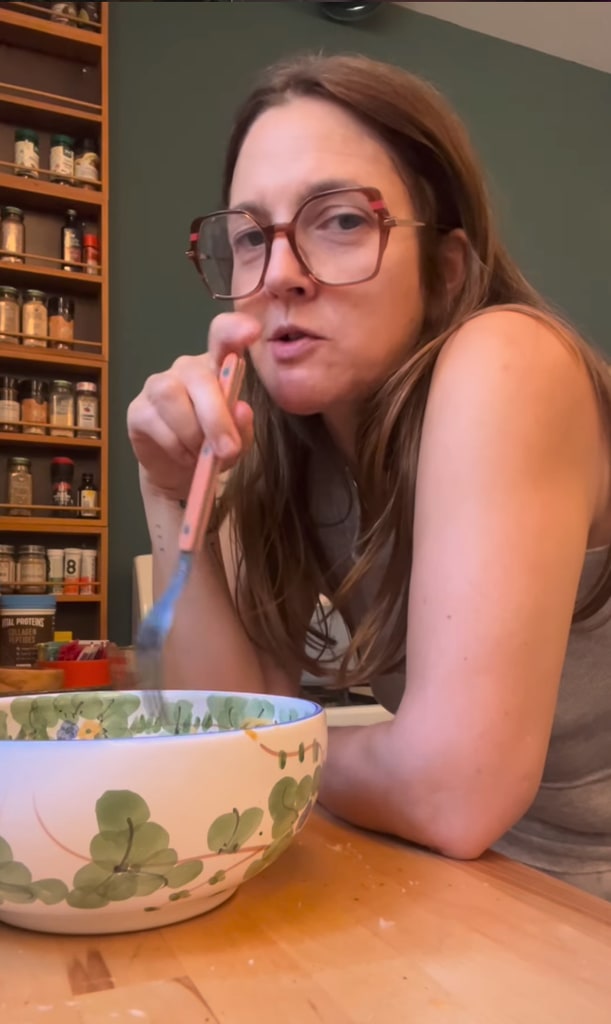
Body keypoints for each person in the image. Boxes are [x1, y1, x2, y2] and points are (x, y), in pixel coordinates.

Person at [127, 53, 611, 900]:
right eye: (249, 236)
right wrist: (172, 490)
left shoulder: (509, 361)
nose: (280, 274)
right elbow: (215, 728)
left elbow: (452, 791)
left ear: (445, 271)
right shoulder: (281, 454)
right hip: (496, 889)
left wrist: (265, 754)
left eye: (341, 220)